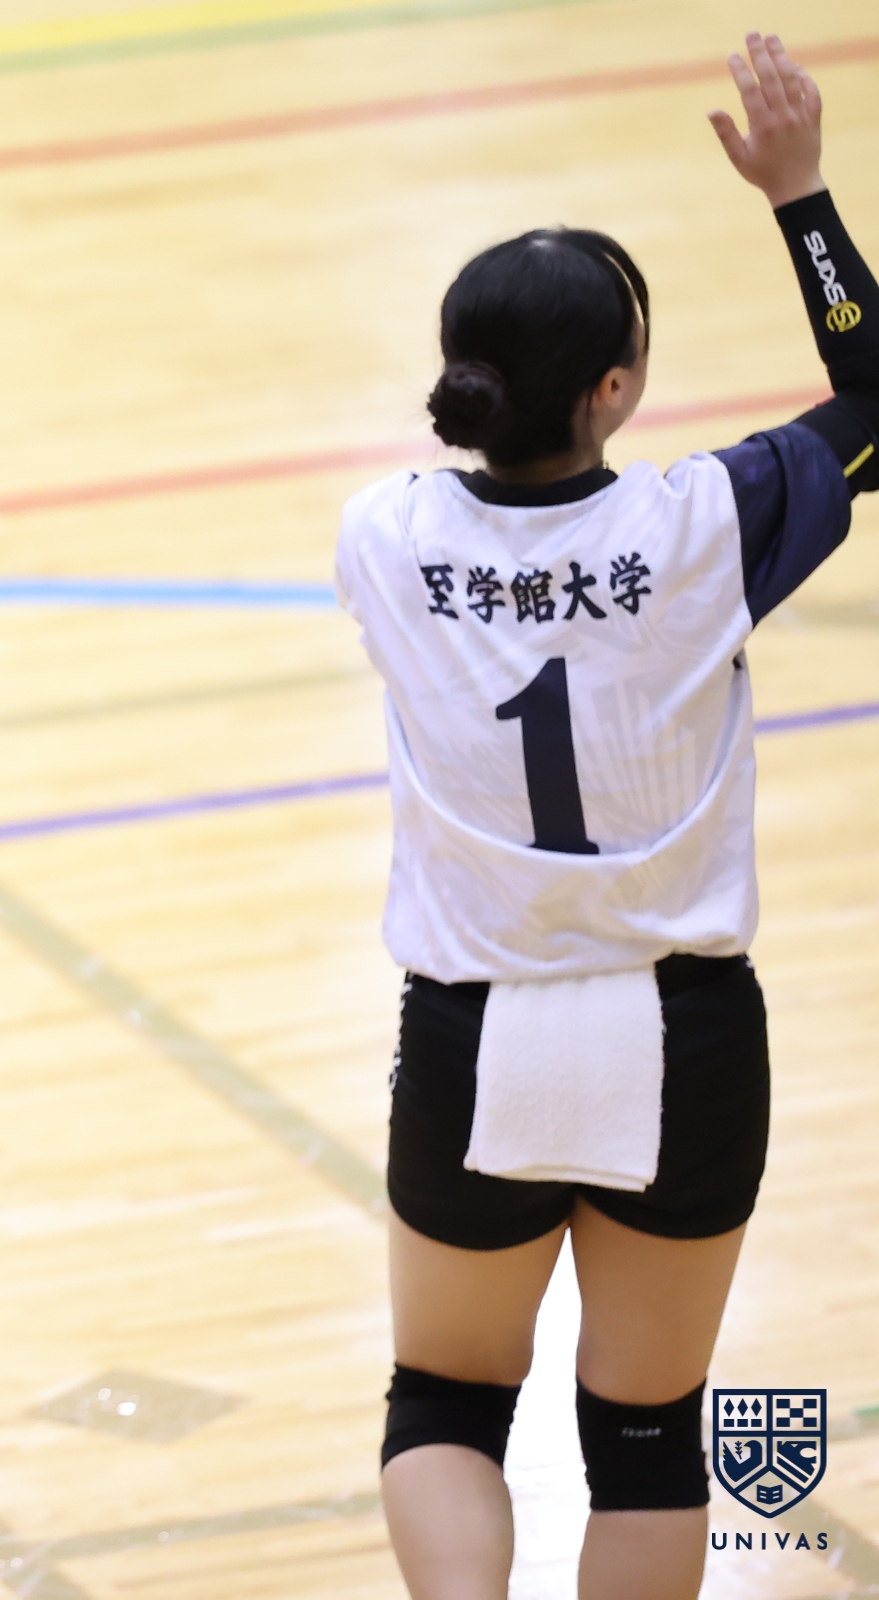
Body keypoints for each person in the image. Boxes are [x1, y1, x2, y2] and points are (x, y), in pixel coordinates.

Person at [334, 35, 876, 1600]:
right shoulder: (706, 521)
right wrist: (801, 196)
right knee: (645, 1436)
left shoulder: (383, 534)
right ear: (617, 389)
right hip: (684, 1032)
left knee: (444, 1403)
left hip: (475, 1027)